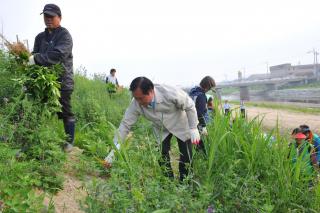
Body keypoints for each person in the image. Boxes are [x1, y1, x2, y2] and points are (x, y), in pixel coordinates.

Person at [104, 77, 200, 181]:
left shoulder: (170, 92)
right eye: (136, 98)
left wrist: (193, 127)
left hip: (180, 123)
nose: (139, 102)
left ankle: (185, 183)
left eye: (141, 98)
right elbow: (125, 124)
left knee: (186, 155)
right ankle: (168, 181)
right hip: (160, 128)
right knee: (161, 154)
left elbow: (190, 106)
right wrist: (115, 149)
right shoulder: (136, 103)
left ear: (151, 91)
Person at [28, 4, 75, 152]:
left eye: (51, 16)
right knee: (37, 108)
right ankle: (35, 138)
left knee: (65, 111)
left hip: (62, 81)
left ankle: (69, 142)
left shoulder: (64, 36)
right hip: (43, 82)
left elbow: (58, 55)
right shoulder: (40, 37)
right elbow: (34, 55)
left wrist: (35, 59)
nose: (48, 19)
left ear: (59, 18)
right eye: (46, 16)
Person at [189, 76, 216, 153]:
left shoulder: (192, 92)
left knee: (195, 143)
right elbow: (200, 113)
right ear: (207, 86)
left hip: (190, 122)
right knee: (203, 144)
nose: (209, 90)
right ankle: (204, 159)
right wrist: (204, 127)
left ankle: (196, 157)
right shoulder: (201, 96)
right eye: (210, 88)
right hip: (198, 123)